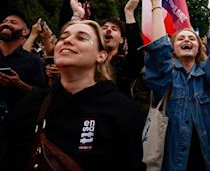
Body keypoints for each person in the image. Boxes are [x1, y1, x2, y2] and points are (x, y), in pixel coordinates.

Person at [4, 20, 141, 170]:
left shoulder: (121, 109)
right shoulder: (31, 104)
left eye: (82, 38)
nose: (68, 40)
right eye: (63, 37)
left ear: (101, 56)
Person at [143, 0, 210, 170]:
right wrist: (155, 4)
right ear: (173, 49)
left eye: (192, 38)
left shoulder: (208, 75)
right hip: (175, 162)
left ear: (199, 47)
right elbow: (159, 51)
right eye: (181, 39)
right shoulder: (166, 77)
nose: (187, 40)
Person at [0, 12, 47, 164]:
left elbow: (43, 95)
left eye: (13, 22)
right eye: (5, 21)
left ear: (25, 32)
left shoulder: (34, 62)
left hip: (15, 135)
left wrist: (20, 85)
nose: (6, 23)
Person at [99, 0, 144, 98]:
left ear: (121, 40)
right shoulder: (88, 62)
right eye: (104, 28)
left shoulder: (124, 65)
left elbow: (136, 53)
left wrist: (129, 12)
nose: (108, 30)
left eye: (114, 29)